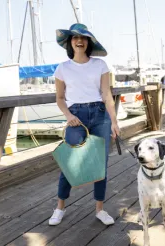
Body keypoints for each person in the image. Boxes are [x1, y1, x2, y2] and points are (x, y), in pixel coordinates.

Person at [49, 23, 120, 226]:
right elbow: (60, 98)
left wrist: (114, 121)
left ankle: (100, 209)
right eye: (75, 38)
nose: (79, 41)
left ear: (88, 42)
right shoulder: (63, 68)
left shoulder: (100, 65)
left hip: (100, 115)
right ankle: (60, 207)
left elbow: (107, 95)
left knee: (100, 165)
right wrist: (68, 115)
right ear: (70, 42)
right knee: (69, 162)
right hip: (76, 117)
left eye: (83, 38)